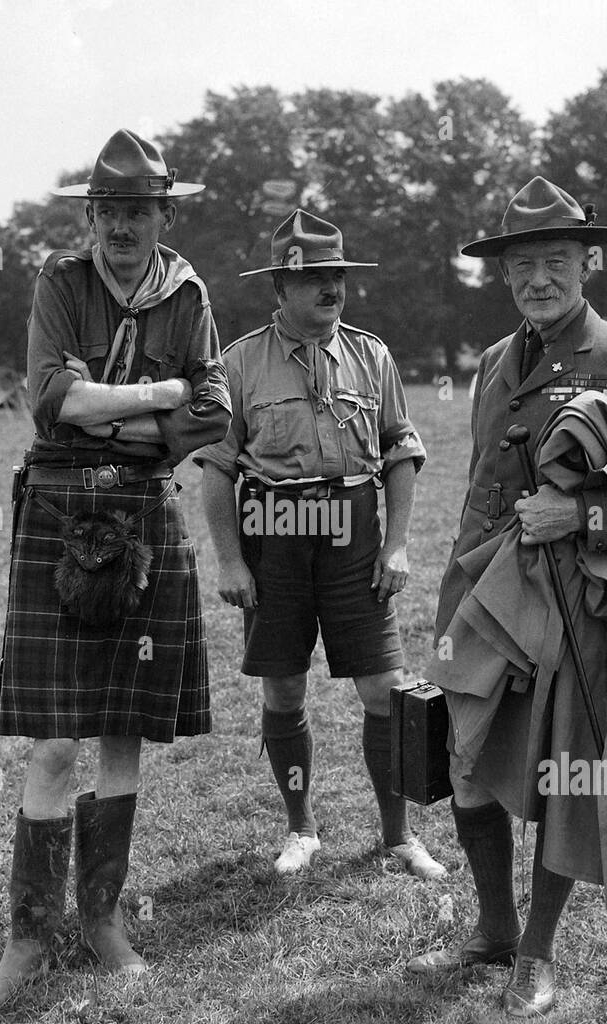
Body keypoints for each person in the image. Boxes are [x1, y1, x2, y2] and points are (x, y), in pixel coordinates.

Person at [406, 176, 607, 1016]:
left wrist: (580, 509)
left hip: (580, 602)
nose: (539, 278)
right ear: (505, 274)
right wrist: (454, 588)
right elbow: (479, 489)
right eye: (523, 264)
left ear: (589, 262)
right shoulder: (496, 363)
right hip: (487, 596)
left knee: (564, 775)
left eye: (556, 261)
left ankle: (537, 955)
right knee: (467, 761)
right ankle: (493, 930)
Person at [0, 130, 231, 1008]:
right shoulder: (60, 281)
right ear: (91, 214)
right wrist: (158, 398)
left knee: (123, 727)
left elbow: (215, 415)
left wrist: (122, 418)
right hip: (59, 505)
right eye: (109, 210)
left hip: (145, 511)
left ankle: (103, 918)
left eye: (139, 210)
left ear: (165, 213)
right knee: (54, 737)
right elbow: (56, 398)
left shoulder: (187, 292)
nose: (123, 226)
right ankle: (28, 937)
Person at [196, 209, 444, 881]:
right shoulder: (240, 362)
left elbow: (400, 451)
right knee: (283, 687)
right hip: (274, 536)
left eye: (337, 274)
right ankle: (301, 827)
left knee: (384, 687)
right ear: (280, 288)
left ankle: (397, 835)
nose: (331, 288)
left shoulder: (373, 355)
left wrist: (396, 545)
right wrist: (228, 559)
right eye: (313, 278)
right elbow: (217, 468)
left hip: (354, 536)